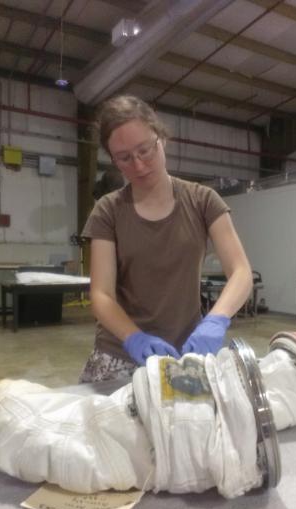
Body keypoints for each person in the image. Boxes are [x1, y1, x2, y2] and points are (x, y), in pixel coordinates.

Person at [80, 95, 253, 383]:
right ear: (113, 160)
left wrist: (216, 320)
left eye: (145, 150)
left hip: (185, 352)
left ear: (162, 138)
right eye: (124, 158)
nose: (138, 165)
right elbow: (101, 295)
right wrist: (133, 337)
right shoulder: (108, 211)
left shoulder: (203, 200)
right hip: (121, 352)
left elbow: (241, 271)